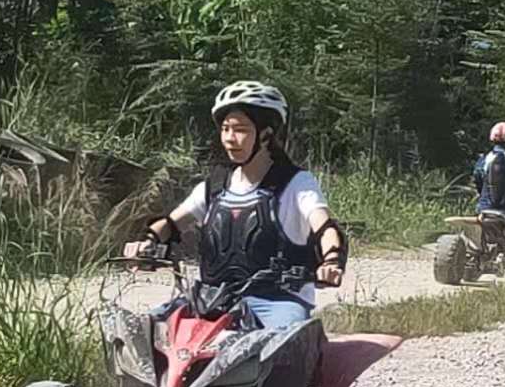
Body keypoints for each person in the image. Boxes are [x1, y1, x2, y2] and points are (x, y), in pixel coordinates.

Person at [125, 82, 347, 329]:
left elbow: (325, 228)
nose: (230, 139)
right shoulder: (213, 187)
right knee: (140, 330)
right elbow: (169, 224)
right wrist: (148, 242)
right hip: (212, 300)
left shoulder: (296, 184)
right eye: (225, 129)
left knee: (280, 340)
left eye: (240, 130)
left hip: (277, 303)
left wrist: (332, 261)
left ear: (266, 135)